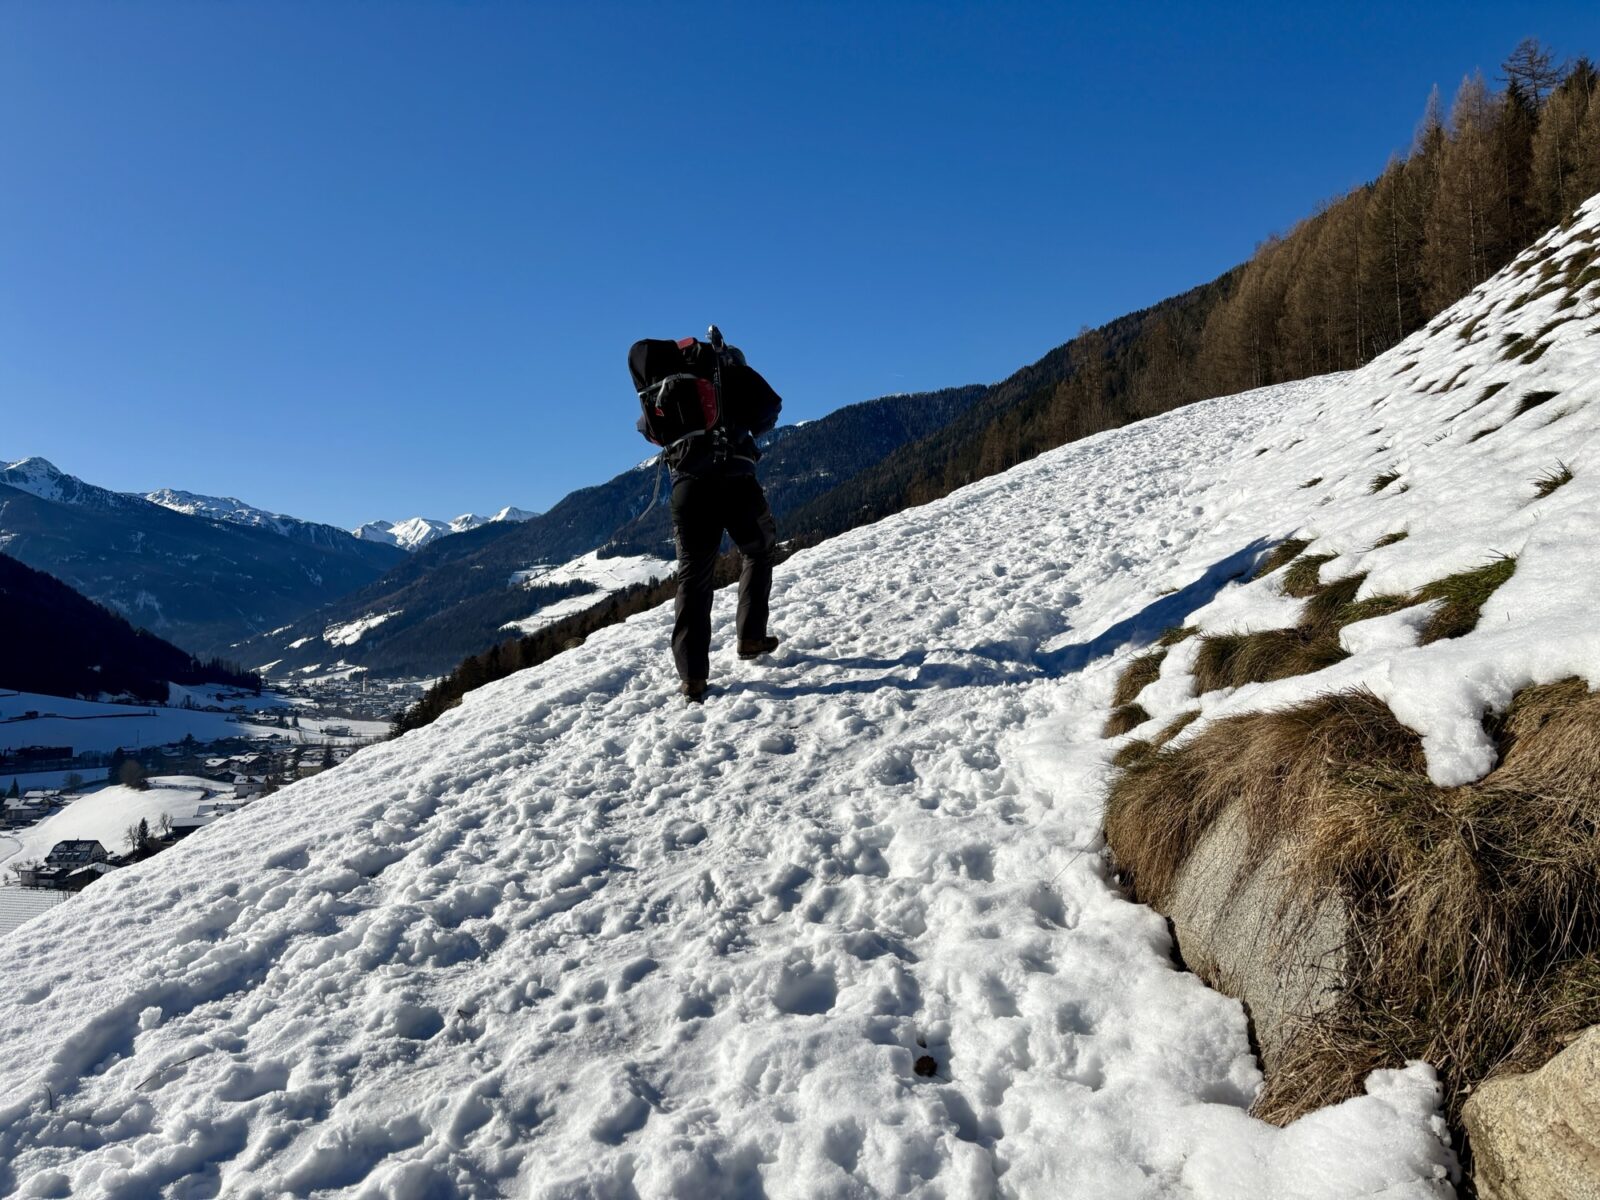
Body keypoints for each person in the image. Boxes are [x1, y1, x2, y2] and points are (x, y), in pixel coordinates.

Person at [637, 332, 782, 701]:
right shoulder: (733, 371)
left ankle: (692, 678)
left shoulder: (668, 385)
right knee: (758, 549)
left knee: (694, 578)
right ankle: (750, 636)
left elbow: (647, 427)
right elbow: (769, 409)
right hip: (735, 481)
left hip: (688, 488)